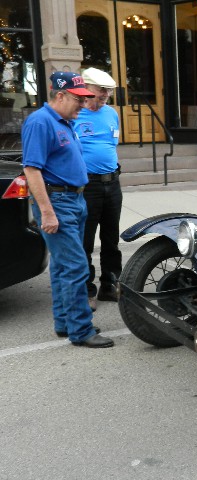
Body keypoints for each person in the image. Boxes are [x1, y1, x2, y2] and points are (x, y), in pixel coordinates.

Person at [21, 71, 114, 348]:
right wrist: (47, 212)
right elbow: (31, 169)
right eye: (78, 99)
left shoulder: (64, 120)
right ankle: (82, 330)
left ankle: (65, 322)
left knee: (63, 266)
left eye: (86, 99)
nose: (83, 105)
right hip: (58, 203)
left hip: (74, 200)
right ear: (60, 95)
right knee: (75, 266)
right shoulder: (41, 122)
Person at [74, 67, 122, 312]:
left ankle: (110, 284)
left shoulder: (112, 114)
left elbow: (112, 144)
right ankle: (87, 288)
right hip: (87, 186)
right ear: (87, 88)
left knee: (111, 238)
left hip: (112, 183)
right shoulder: (75, 113)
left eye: (108, 91)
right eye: (101, 90)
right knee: (85, 240)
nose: (105, 95)